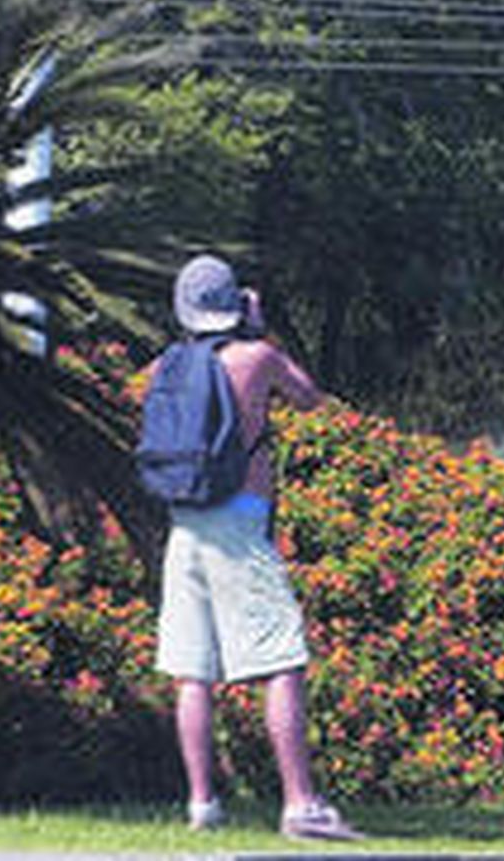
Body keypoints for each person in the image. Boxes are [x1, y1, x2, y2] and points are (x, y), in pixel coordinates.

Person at [149, 254, 360, 841]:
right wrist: (257, 327)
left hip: (183, 525)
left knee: (192, 672)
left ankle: (202, 805)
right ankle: (301, 805)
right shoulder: (257, 357)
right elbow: (310, 398)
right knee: (283, 661)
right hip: (238, 526)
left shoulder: (165, 364)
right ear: (235, 305)